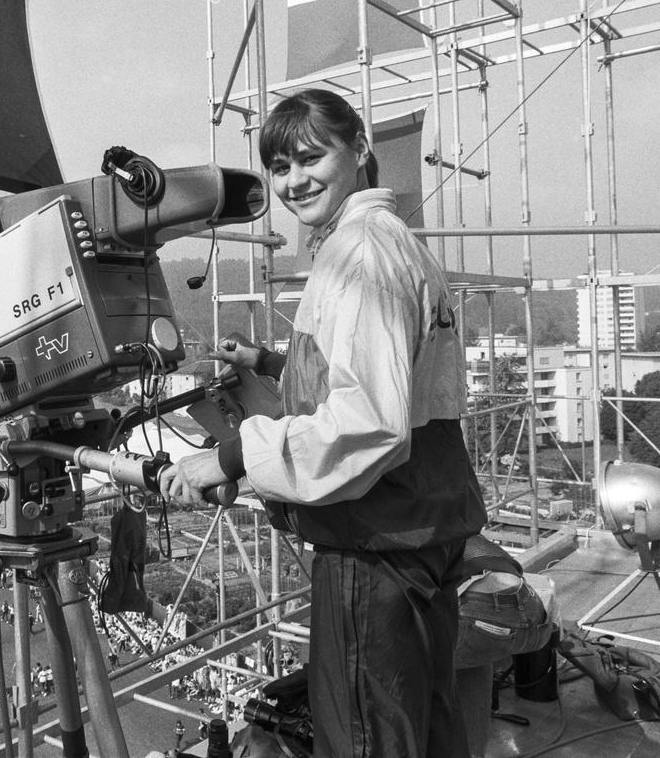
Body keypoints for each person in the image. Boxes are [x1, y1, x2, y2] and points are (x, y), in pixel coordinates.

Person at [160, 89, 487, 757]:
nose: (293, 181)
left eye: (310, 158)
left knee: (367, 738)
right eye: (280, 168)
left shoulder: (359, 254)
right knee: (426, 728)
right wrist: (272, 363)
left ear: (360, 149)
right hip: (418, 530)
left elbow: (368, 420)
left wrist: (228, 458)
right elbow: (389, 378)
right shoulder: (389, 242)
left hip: (376, 544)